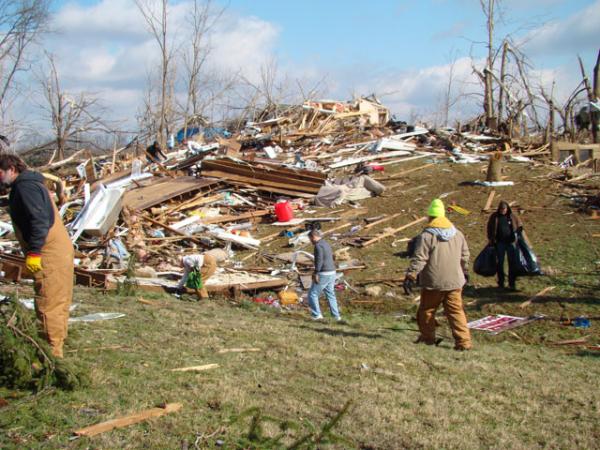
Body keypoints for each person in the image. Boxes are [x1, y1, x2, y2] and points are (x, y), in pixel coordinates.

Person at [0, 154, 74, 358]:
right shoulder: (25, 184)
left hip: (49, 252)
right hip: (56, 250)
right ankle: (56, 345)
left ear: (12, 169)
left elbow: (39, 220)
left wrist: (33, 252)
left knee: (49, 302)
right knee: (57, 300)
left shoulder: (26, 188)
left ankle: (51, 358)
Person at [404, 198, 471, 351]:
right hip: (455, 281)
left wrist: (411, 275)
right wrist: (465, 271)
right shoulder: (457, 234)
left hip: (434, 282)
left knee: (427, 310)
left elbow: (420, 258)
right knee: (456, 311)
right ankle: (464, 342)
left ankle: (428, 338)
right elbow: (465, 255)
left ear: (430, 216)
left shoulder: (427, 236)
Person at [487, 200, 523, 291]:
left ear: (507, 209)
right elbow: (489, 228)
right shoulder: (495, 217)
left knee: (512, 263)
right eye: (501, 209)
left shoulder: (512, 216)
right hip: (500, 243)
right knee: (500, 263)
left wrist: (517, 234)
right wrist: (491, 239)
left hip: (511, 243)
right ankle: (501, 283)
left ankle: (512, 283)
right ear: (499, 209)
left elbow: (520, 226)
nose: (503, 211)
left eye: (504, 209)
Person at [307, 229, 341, 321]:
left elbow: (319, 260)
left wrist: (316, 272)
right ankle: (336, 316)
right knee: (330, 294)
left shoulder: (318, 246)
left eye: (310, 239)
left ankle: (317, 315)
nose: (310, 242)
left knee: (312, 294)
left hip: (323, 273)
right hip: (332, 272)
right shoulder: (326, 243)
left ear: (313, 237)